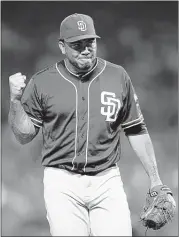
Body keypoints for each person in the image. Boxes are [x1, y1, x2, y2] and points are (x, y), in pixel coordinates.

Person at [8, 13, 174, 236]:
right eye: (77, 44)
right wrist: (15, 101)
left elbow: (136, 129)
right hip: (62, 180)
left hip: (107, 179)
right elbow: (24, 135)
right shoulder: (42, 82)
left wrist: (155, 180)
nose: (86, 49)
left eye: (90, 42)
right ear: (62, 46)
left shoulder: (118, 76)